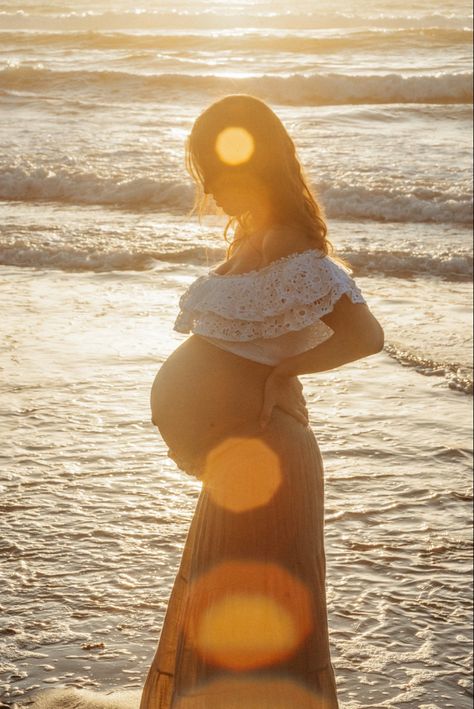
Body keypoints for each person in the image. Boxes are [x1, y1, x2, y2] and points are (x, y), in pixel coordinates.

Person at [141, 94, 384, 709]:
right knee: (224, 610)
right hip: (238, 460)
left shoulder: (296, 252)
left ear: (255, 163)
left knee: (257, 617)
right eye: (205, 172)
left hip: (271, 458)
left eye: (217, 171)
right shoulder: (251, 241)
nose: (212, 188)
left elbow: (366, 335)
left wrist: (283, 374)